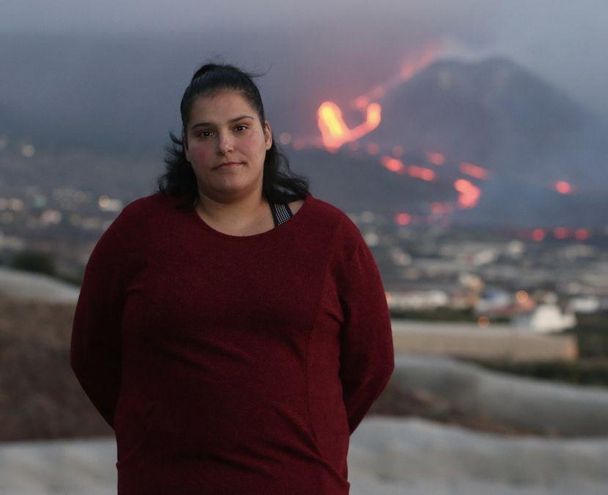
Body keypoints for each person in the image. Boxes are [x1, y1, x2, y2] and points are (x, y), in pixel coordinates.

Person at [69, 63, 395, 494]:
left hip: (298, 482)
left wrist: (313, 437)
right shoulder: (139, 233)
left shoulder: (329, 238)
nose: (225, 145)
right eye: (205, 133)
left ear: (267, 134)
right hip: (165, 481)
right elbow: (92, 352)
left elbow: (371, 364)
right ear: (186, 147)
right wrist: (149, 431)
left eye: (239, 127)